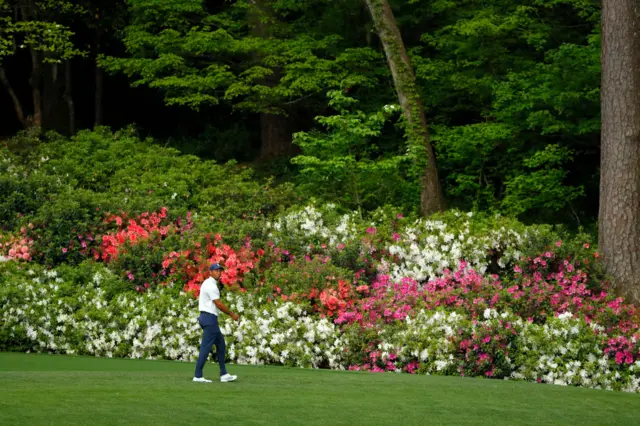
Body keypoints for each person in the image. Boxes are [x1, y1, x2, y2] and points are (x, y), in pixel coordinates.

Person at [193, 263, 240, 383]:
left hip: (207, 318)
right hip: (209, 319)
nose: (218, 272)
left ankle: (223, 374)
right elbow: (218, 304)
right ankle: (198, 376)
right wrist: (232, 314)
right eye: (216, 270)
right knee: (205, 347)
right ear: (211, 272)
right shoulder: (211, 286)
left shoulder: (209, 284)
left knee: (221, 345)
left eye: (220, 271)